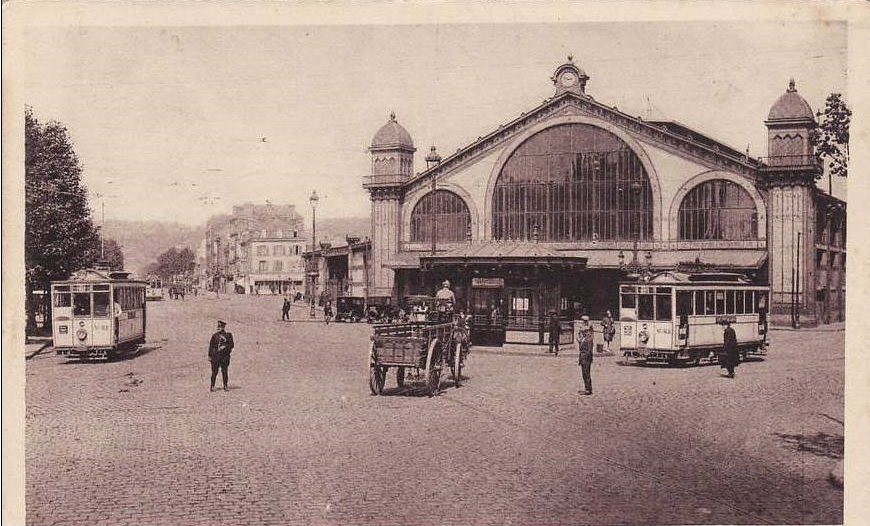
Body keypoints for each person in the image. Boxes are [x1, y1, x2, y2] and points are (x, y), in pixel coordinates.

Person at [208, 320, 234, 392]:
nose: (219, 328)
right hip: (215, 357)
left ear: (224, 327)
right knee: (214, 372)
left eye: (221, 326)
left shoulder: (228, 335)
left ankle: (225, 386)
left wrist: (224, 347)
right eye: (218, 326)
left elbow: (231, 345)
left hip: (224, 357)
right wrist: (209, 356)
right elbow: (211, 346)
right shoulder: (214, 336)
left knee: (225, 372)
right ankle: (212, 386)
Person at [577, 318, 594, 395]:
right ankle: (587, 388)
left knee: (586, 374)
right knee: (584, 374)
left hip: (586, 359)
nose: (582, 332)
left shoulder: (589, 339)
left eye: (583, 331)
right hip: (583, 358)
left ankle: (588, 389)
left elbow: (589, 351)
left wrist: (585, 358)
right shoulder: (583, 339)